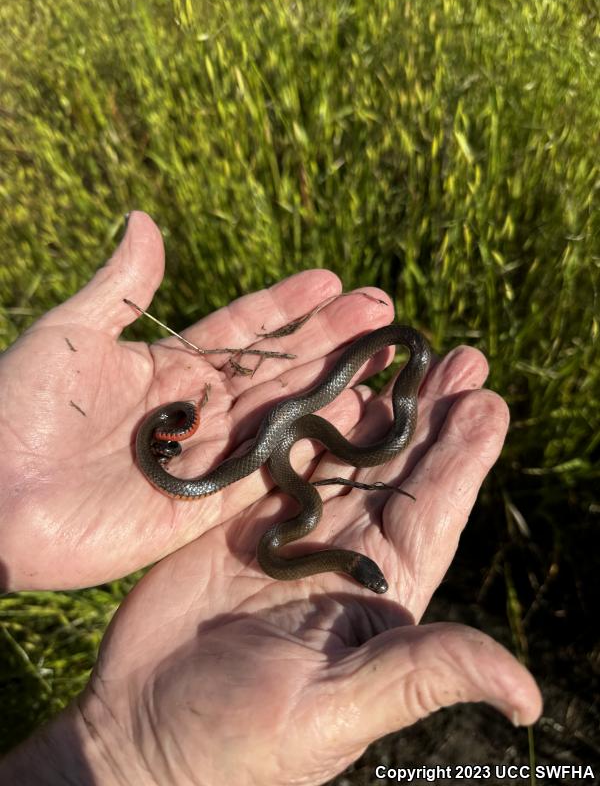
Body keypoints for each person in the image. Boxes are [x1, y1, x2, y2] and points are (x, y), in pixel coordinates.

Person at [0, 212, 541, 785]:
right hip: (285, 448)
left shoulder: (285, 534)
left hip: (296, 449)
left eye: (364, 574)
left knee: (370, 431)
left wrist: (136, 757)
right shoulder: (295, 513)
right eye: (365, 574)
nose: (368, 579)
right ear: (347, 567)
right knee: (306, 448)